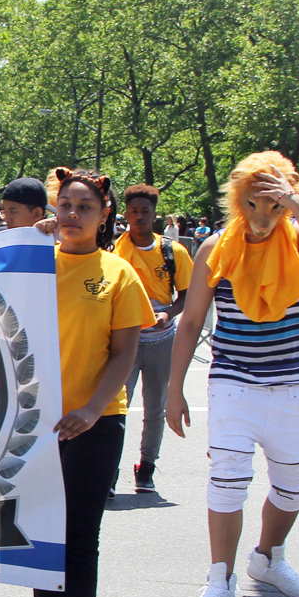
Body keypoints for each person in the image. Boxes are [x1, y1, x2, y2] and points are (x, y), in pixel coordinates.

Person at [167, 151, 299, 597]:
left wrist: (298, 208)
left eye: (273, 205)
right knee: (226, 483)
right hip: (232, 384)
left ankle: (268, 558)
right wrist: (174, 388)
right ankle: (220, 582)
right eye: (252, 204)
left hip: (290, 384)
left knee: (295, 485)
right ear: (237, 201)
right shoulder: (215, 247)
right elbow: (192, 322)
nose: (263, 217)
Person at [32, 168, 154, 597]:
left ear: (105, 215)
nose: (73, 215)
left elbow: (125, 353)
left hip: (96, 423)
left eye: (85, 207)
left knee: (80, 537)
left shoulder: (119, 273)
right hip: (33, 424)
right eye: (66, 206)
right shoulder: (30, 264)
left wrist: (92, 409)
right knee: (38, 530)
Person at [113, 184, 192, 494]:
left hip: (162, 340)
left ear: (155, 214)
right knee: (116, 408)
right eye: (134, 211)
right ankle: (110, 472)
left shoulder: (174, 251)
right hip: (126, 343)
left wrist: (169, 313)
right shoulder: (117, 250)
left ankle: (146, 467)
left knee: (155, 408)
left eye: (145, 211)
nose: (140, 216)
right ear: (127, 215)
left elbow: (187, 296)